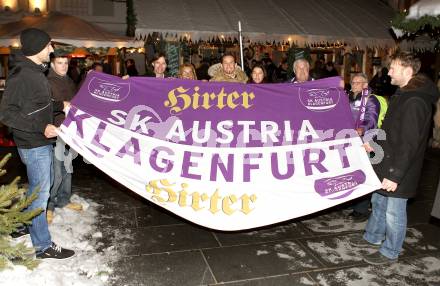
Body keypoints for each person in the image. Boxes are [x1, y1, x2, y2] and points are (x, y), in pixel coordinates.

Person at [351, 51, 440, 265]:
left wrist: (395, 174)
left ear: (407, 71)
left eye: (393, 68)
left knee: (394, 212)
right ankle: (372, 237)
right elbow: (390, 130)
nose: (388, 71)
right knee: (379, 202)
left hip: (399, 169)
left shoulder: (415, 101)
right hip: (387, 163)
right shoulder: (403, 94)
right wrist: (372, 143)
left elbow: (409, 143)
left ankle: (391, 251)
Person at [0, 28, 75, 259]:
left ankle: (24, 224)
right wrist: (41, 127)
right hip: (33, 143)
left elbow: (37, 104)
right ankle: (43, 246)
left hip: (38, 140)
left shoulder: (35, 71)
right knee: (41, 194)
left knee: (37, 188)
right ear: (36, 48)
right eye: (48, 46)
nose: (51, 50)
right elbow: (6, 114)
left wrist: (59, 105)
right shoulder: (23, 74)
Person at [46, 53, 83, 224]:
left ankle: (64, 200)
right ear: (53, 65)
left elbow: (78, 100)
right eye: (59, 63)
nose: (63, 66)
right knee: (57, 173)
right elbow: (44, 107)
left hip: (70, 131)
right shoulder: (47, 81)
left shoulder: (68, 81)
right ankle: (49, 206)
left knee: (68, 169)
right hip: (55, 132)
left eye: (66, 63)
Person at [347, 73, 380, 221]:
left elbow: (371, 118)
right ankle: (352, 201)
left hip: (366, 141)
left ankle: (361, 209)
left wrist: (363, 129)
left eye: (357, 83)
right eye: (352, 82)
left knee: (363, 172)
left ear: (365, 85)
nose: (353, 85)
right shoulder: (348, 97)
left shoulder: (371, 99)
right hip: (349, 140)